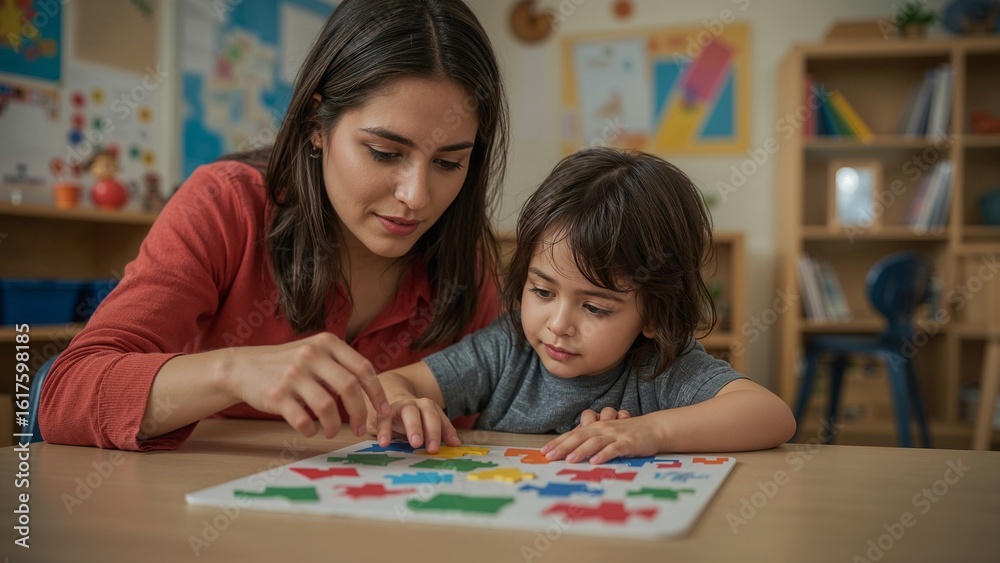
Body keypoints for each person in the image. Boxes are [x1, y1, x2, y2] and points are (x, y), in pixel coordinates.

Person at [39, 0, 509, 450]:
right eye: (385, 153)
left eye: (449, 162)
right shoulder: (226, 205)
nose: (417, 196)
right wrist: (233, 372)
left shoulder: (467, 259)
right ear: (315, 124)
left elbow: (511, 415)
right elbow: (65, 395)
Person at [370, 147, 796, 464]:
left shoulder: (660, 366)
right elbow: (394, 383)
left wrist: (649, 431)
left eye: (595, 308)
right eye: (542, 292)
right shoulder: (507, 347)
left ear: (655, 313)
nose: (558, 325)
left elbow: (772, 415)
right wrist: (407, 404)